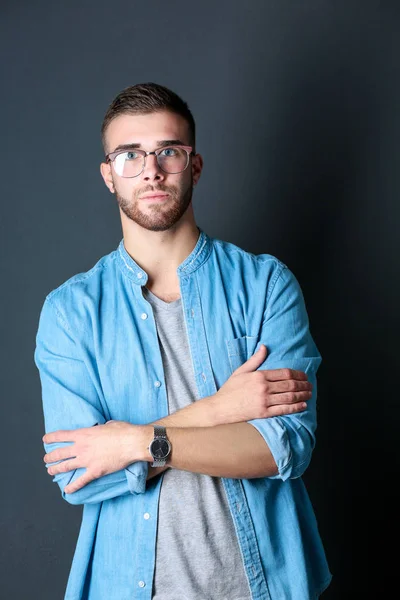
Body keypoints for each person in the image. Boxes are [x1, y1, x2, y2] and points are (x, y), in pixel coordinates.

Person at [34, 82, 332, 600]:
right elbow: (81, 474)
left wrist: (132, 442)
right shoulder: (70, 313)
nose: (150, 169)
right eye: (130, 154)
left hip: (262, 587)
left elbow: (285, 446)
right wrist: (221, 409)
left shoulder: (265, 285)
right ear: (109, 175)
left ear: (194, 166)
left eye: (167, 151)